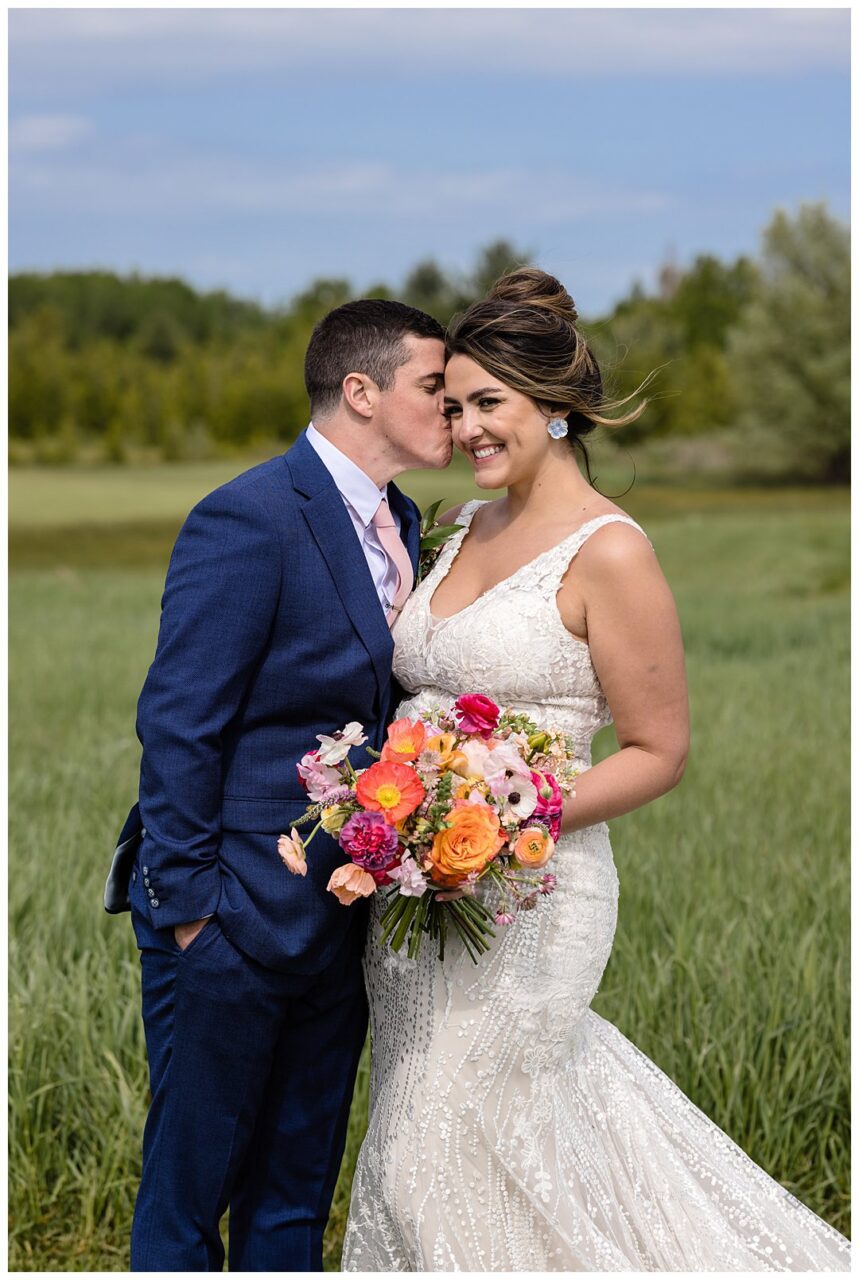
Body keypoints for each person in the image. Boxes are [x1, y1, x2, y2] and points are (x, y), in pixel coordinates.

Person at [341, 269, 850, 1271]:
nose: (468, 427)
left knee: (432, 1144)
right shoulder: (456, 526)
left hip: (535, 893)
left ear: (558, 407)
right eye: (453, 406)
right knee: (450, 1128)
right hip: (418, 905)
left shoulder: (610, 552)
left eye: (490, 402)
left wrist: (502, 814)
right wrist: (409, 819)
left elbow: (659, 750)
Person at [114, 298, 451, 1270]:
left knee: (293, 1199)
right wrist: (192, 914)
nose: (452, 407)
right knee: (189, 1205)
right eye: (432, 385)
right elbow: (179, 721)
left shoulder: (401, 519)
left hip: (341, 917)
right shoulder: (249, 515)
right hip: (227, 916)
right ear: (361, 389)